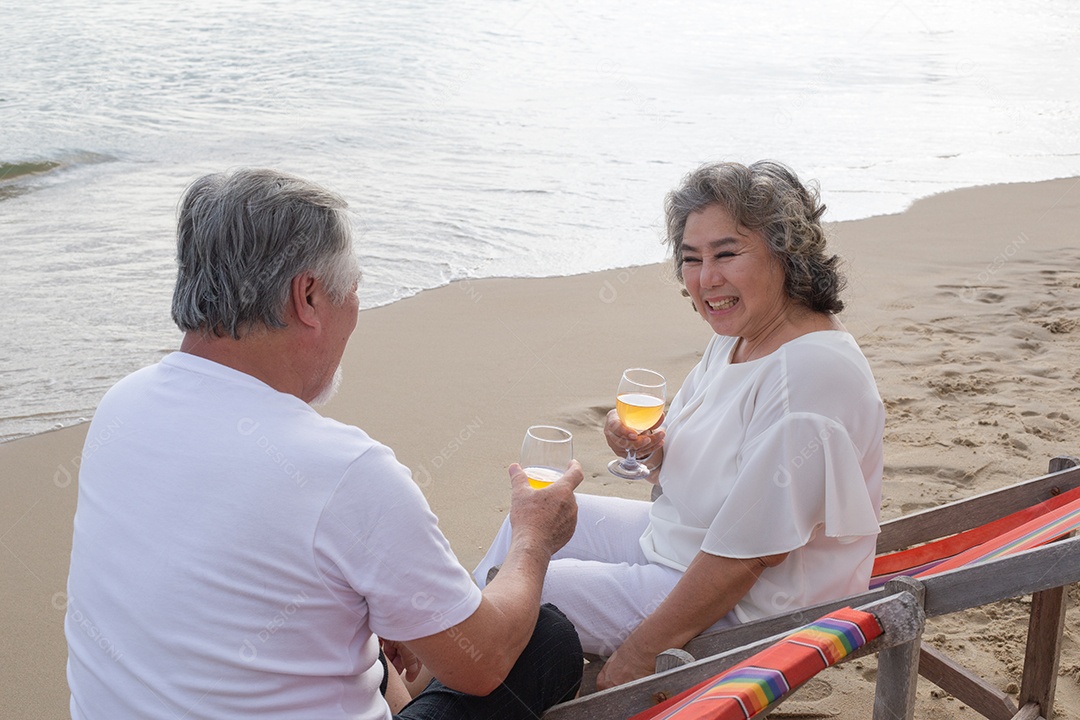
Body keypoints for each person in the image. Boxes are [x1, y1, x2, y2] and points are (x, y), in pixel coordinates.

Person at [65, 168, 584, 720]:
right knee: (547, 640)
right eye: (353, 288)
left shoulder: (122, 404)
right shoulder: (345, 470)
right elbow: (482, 665)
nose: (355, 307)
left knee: (350, 619)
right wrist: (532, 538)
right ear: (308, 295)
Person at [474, 160, 885, 690]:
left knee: (506, 591)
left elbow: (751, 557)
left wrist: (642, 653)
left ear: (787, 254)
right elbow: (701, 459)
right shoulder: (738, 338)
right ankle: (428, 684)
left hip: (752, 604)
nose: (705, 278)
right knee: (525, 524)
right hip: (681, 542)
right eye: (691, 259)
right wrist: (648, 449)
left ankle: (419, 695)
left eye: (727, 254)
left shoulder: (807, 376)